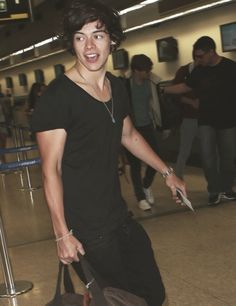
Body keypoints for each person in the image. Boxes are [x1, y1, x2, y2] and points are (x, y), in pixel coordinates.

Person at [31, 1, 186, 305]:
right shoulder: (58, 97)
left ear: (112, 40)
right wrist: (62, 234)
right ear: (72, 43)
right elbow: (51, 169)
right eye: (80, 37)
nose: (89, 45)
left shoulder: (116, 86)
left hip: (117, 214)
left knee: (152, 293)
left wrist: (168, 173)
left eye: (98, 35)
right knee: (121, 297)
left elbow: (128, 134)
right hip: (86, 226)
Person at [164, 36, 236, 205]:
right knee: (208, 157)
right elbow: (186, 86)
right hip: (205, 120)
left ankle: (226, 189)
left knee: (228, 157)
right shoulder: (199, 70)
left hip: (228, 121)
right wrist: (166, 90)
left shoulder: (230, 67)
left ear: (212, 52)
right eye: (196, 56)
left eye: (201, 56)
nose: (198, 59)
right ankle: (214, 190)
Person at [123, 54, 162, 211]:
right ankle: (140, 197)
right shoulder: (125, 85)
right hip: (131, 129)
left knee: (156, 158)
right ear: (136, 71)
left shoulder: (151, 83)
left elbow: (157, 105)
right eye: (146, 70)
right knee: (135, 164)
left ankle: (146, 185)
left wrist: (161, 124)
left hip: (147, 126)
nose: (148, 73)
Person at [172, 57, 199, 179]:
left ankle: (216, 186)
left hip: (207, 119)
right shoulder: (183, 72)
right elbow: (174, 95)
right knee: (184, 151)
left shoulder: (207, 71)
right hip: (189, 118)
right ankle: (178, 179)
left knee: (211, 152)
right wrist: (191, 102)